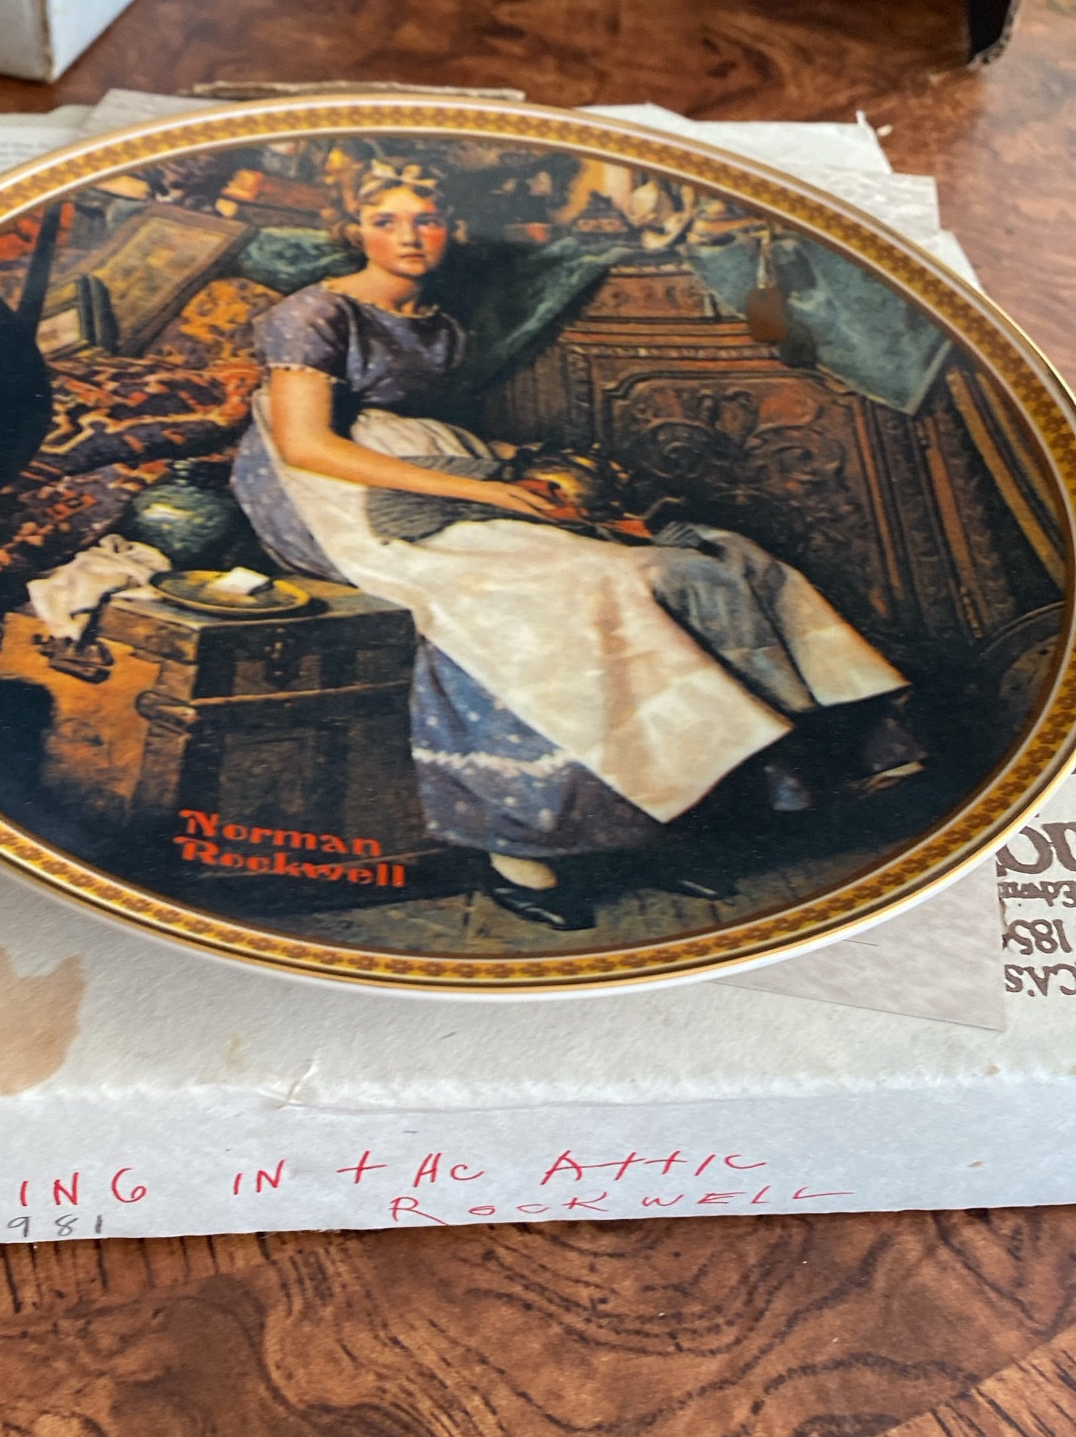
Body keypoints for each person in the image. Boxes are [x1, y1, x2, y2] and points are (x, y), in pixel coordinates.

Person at [230, 162, 917, 931]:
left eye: (425, 218)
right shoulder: (316, 311)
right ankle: (521, 854)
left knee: (697, 563)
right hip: (332, 496)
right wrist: (488, 492)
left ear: (451, 226)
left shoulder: (441, 320)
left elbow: (421, 429)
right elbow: (305, 444)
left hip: (432, 465)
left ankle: (673, 817)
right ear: (351, 229)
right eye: (384, 221)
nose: (408, 237)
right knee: (567, 587)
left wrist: (529, 470)